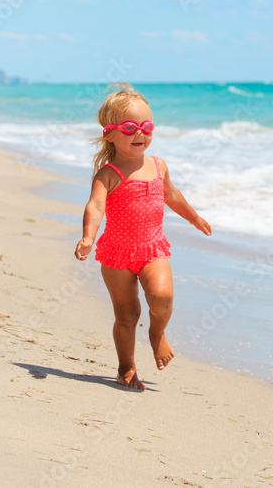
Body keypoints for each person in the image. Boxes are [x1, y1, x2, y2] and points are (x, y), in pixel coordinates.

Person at [75, 84, 211, 390]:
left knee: (161, 298)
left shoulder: (158, 166)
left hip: (151, 249)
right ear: (109, 133)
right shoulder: (108, 174)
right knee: (127, 314)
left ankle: (157, 333)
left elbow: (171, 195)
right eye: (130, 127)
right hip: (116, 255)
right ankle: (127, 366)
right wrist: (87, 237)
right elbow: (95, 206)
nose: (140, 133)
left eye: (146, 127)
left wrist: (194, 217)